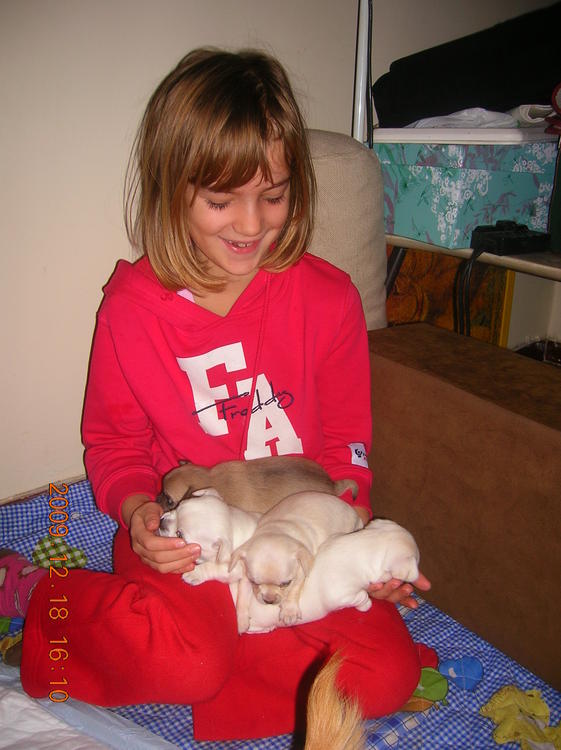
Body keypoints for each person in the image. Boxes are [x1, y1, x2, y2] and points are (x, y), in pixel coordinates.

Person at [1, 48, 430, 741]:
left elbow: (346, 449)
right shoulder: (132, 310)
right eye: (221, 200)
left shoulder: (329, 300)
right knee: (194, 658)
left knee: (386, 676)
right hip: (190, 538)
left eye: (274, 195)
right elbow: (113, 445)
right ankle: (44, 600)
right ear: (173, 191)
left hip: (297, 536)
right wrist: (139, 512)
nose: (251, 225)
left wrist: (354, 536)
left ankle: (203, 655)